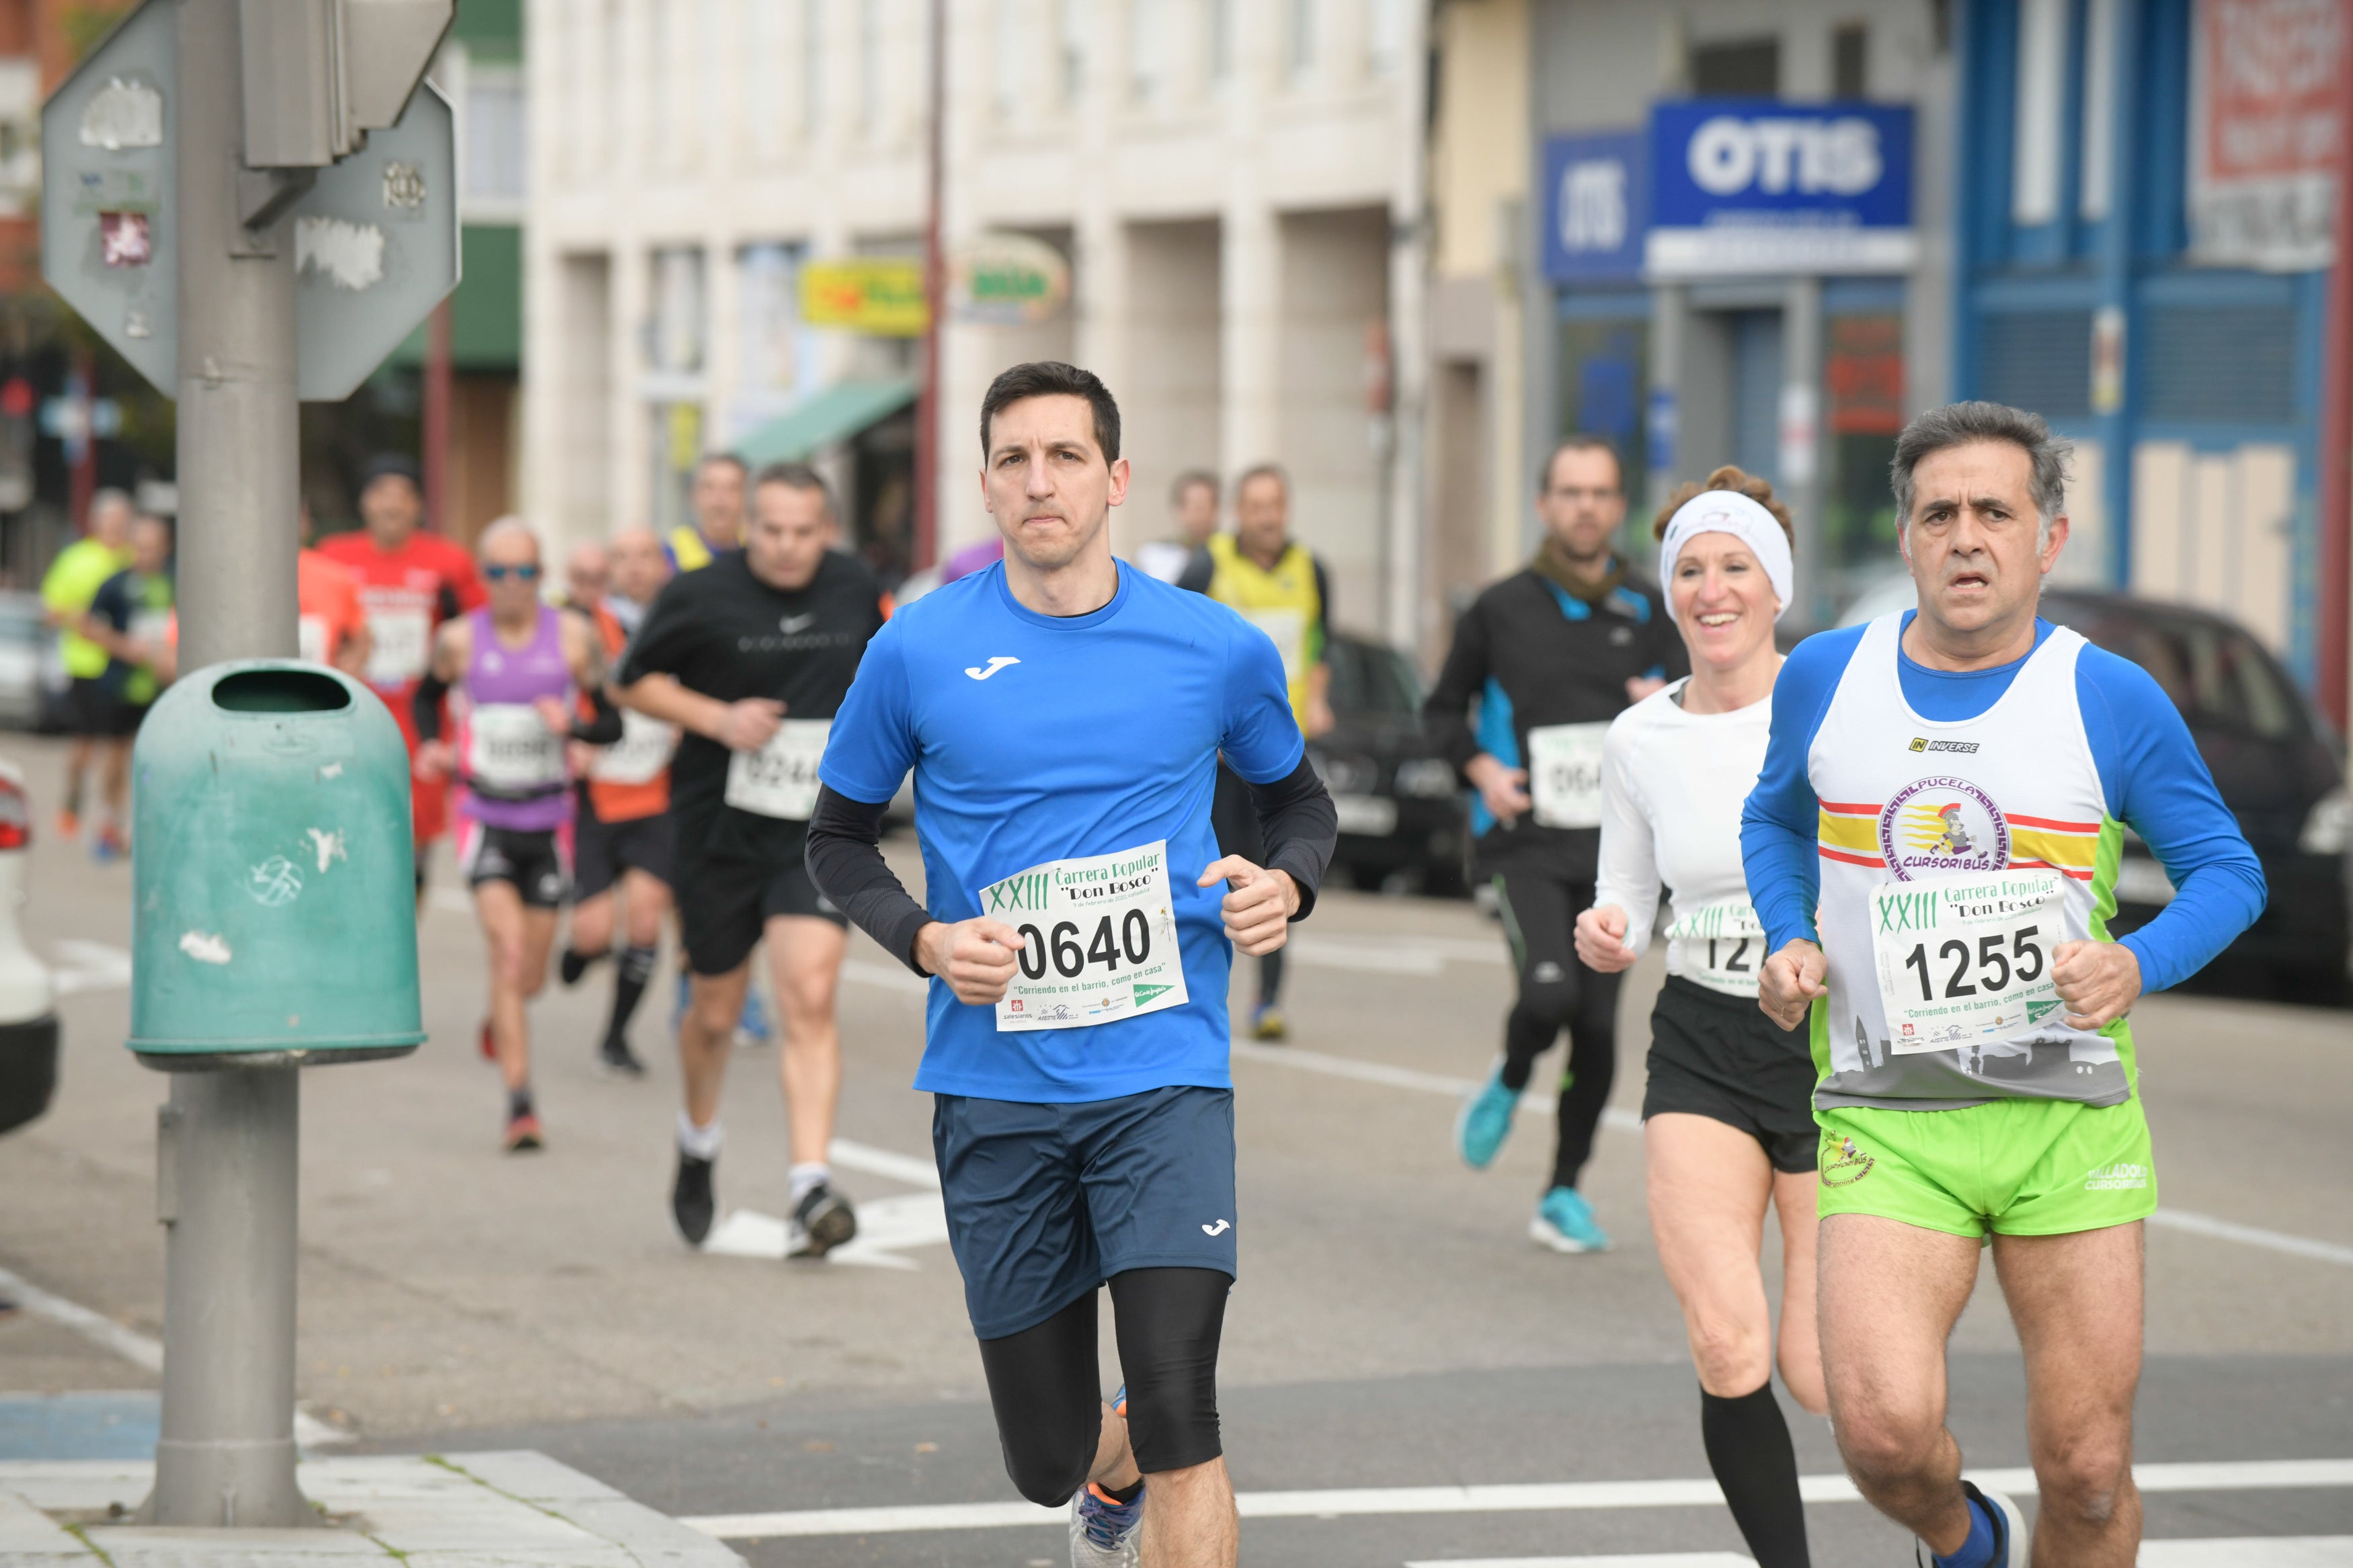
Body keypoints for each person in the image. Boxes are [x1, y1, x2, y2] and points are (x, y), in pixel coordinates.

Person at [807, 361, 1337, 1568]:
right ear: (987, 484)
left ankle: (1149, 1455)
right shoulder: (918, 648)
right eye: (1013, 459)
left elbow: (1299, 803)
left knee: (1182, 1406)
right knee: (1047, 1456)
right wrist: (928, 940)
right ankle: (1105, 1481)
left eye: (1065, 456)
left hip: (1164, 1072)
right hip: (997, 1088)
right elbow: (834, 838)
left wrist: (1285, 882)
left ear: (1117, 477)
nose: (1040, 481)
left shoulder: (1213, 647)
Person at [1742, 402, 2266, 1568]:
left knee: (2084, 1474)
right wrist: (1789, 934)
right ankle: (1962, 1534)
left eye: (1995, 511)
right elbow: (1774, 814)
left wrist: (2137, 960)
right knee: (1879, 1431)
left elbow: (2228, 871)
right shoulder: (1829, 673)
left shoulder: (2109, 695)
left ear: (2050, 539)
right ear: (1906, 535)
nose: (1966, 536)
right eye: (1940, 513)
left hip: (2066, 1127)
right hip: (1892, 1116)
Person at [1572, 468, 1821, 1568]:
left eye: (1735, 566)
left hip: (1833, 1052)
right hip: (1703, 1041)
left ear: (1776, 585)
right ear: (1668, 592)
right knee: (1729, 1341)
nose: (1712, 589)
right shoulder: (1638, 737)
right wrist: (1610, 925)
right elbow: (1625, 884)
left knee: (1830, 1375)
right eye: (1689, 568)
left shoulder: (1836, 708)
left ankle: (1959, 1523)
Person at [614, 464, 886, 1257]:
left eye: (804, 531)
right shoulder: (700, 592)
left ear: (825, 529)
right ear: (748, 524)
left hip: (815, 834)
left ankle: (809, 1185)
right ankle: (697, 1138)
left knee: (807, 992)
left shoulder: (852, 585)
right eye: (772, 529)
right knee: (713, 1012)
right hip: (717, 835)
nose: (787, 546)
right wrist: (715, 715)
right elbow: (629, 681)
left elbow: (885, 674)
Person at [1432, 436, 1687, 1253]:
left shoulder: (1651, 610)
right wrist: (1480, 768)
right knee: (1549, 996)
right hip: (1525, 844)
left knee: (1600, 1028)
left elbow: (1703, 717)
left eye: (1601, 492)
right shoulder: (1499, 607)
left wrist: (1670, 704)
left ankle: (1562, 1190)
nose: (1585, 505)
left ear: (1618, 508)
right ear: (1544, 505)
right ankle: (1511, 1076)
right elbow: (1440, 712)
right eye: (1570, 491)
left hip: (1619, 857)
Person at [414, 520, 618, 1152]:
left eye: (524, 572)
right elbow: (426, 695)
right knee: (505, 953)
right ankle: (520, 1103)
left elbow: (611, 721)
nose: (511, 585)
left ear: (541, 575)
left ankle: (500, 1016)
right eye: (497, 572)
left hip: (550, 820)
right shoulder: (457, 641)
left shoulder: (576, 640)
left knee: (530, 974)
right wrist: (432, 746)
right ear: (482, 576)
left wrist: (578, 734)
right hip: (486, 816)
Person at [1176, 464, 1334, 1041]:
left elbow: (1322, 643)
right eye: (1256, 506)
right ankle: (1195, 993)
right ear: (1238, 511)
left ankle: (1268, 1000)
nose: (1267, 516)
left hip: (1281, 754)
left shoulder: (1311, 569)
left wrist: (1317, 701)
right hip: (1219, 761)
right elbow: (1181, 651)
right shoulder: (1207, 566)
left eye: (1276, 505)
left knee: (1276, 875)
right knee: (1211, 873)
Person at [317, 454, 486, 905]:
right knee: (346, 830)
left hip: (418, 719)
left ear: (418, 505)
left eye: (402, 495)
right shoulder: (334, 556)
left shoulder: (449, 561)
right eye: (381, 494)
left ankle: (400, 946)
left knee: (411, 845)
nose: (391, 505)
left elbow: (481, 632)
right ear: (364, 502)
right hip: (347, 717)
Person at [559, 538, 678, 1077]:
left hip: (656, 797)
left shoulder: (682, 623)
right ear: (609, 570)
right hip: (599, 798)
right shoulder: (583, 627)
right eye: (622, 557)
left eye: (645, 556)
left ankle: (616, 1037)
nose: (634, 567)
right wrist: (573, 735)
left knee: (647, 920)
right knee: (592, 932)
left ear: (662, 566)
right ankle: (581, 952)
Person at [39, 489, 134, 850]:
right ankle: (74, 794)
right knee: (87, 744)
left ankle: (112, 816)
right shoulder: (75, 559)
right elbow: (49, 611)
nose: (117, 529)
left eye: (122, 523)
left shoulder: (132, 559)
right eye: (111, 523)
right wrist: (78, 617)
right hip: (85, 665)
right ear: (96, 524)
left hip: (123, 666)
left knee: (119, 746)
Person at [79, 513, 177, 854]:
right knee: (117, 757)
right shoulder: (116, 584)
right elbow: (87, 626)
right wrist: (124, 647)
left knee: (159, 758)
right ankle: (110, 822)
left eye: (152, 548)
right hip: (122, 685)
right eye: (139, 548)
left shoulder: (176, 582)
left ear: (166, 548)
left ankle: (148, 828)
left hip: (163, 687)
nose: (145, 555)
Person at [298, 505, 372, 677]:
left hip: (319, 693)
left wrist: (350, 667)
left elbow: (361, 637)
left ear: (307, 523)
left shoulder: (337, 577)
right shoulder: (235, 579)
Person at [666, 452, 748, 572]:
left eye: (732, 488)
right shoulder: (669, 554)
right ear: (693, 494)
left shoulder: (759, 552)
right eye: (709, 487)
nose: (720, 498)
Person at [1137, 470, 1219, 584]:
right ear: (1178, 509)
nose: (1201, 515)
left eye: (1207, 506)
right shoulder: (1153, 555)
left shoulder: (1229, 555)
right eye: (1195, 507)